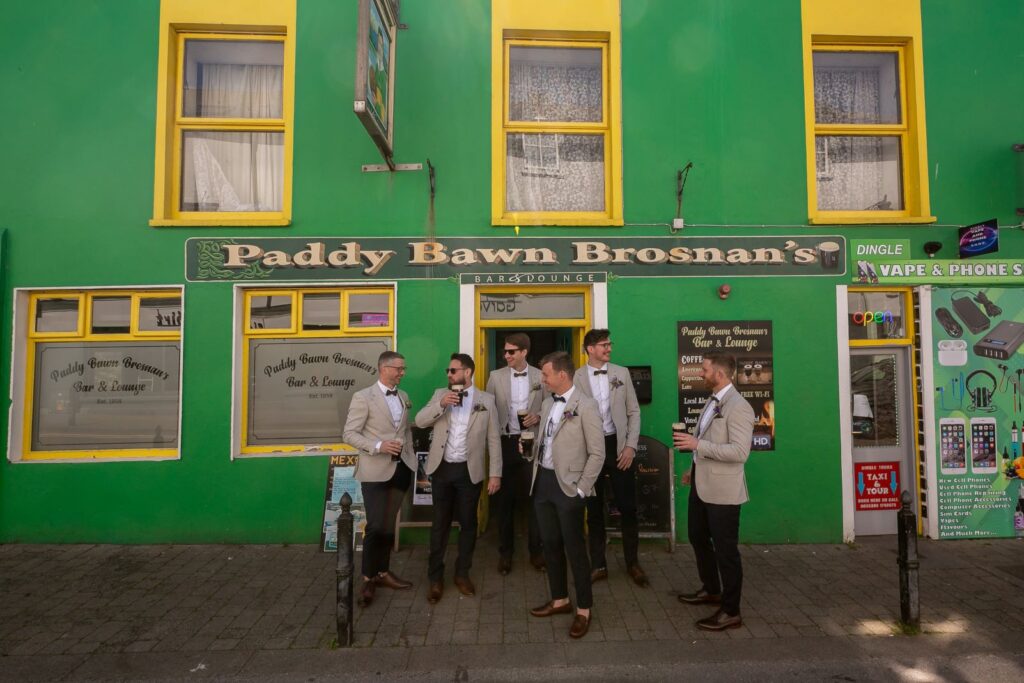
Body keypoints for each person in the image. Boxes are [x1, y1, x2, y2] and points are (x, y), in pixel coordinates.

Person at [673, 352, 755, 631]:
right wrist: (693, 467)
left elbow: (740, 452)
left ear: (719, 374)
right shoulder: (712, 400)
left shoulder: (739, 406)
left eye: (705, 369)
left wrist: (697, 446)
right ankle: (711, 589)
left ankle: (731, 611)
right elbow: (708, 441)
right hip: (701, 483)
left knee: (726, 551)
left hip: (723, 491)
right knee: (697, 537)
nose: (701, 373)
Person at [527, 351, 605, 639]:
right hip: (544, 481)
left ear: (562, 374)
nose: (543, 380)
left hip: (570, 486)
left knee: (574, 548)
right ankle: (559, 599)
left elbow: (598, 453)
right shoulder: (547, 403)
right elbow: (546, 439)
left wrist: (582, 489)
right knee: (550, 545)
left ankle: (584, 608)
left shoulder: (586, 406)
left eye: (546, 375)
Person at [415, 353, 502, 604]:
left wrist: (495, 473)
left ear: (468, 372)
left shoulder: (486, 400)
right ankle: (435, 578)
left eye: (453, 371)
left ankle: (462, 574)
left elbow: (493, 439)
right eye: (448, 371)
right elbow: (420, 421)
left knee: (468, 524)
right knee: (439, 524)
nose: (449, 375)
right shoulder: (439, 394)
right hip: (441, 468)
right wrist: (441, 404)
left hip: (469, 471)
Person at [343, 350, 417, 608]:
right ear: (383, 368)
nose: (402, 373)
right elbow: (349, 434)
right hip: (375, 471)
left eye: (403, 368)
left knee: (387, 526)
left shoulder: (404, 396)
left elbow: (405, 430)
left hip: (401, 469)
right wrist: (378, 445)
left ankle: (383, 573)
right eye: (398, 368)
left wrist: (410, 455)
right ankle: (368, 578)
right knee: (375, 525)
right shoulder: (363, 397)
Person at [573, 329, 647, 587]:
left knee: (628, 506)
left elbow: (633, 412)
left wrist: (630, 447)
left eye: (609, 344)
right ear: (590, 349)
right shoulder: (576, 377)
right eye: (604, 345)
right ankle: (598, 564)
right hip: (590, 449)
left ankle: (632, 563)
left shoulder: (621, 373)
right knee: (593, 509)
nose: (609, 349)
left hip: (617, 446)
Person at [485, 332, 545, 575]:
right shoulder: (495, 376)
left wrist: (538, 416)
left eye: (511, 351)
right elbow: (489, 411)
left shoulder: (541, 376)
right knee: (504, 503)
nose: (506, 355)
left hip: (533, 441)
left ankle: (536, 552)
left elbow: (553, 404)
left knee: (535, 500)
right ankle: (505, 554)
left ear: (524, 352)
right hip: (505, 442)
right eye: (505, 351)